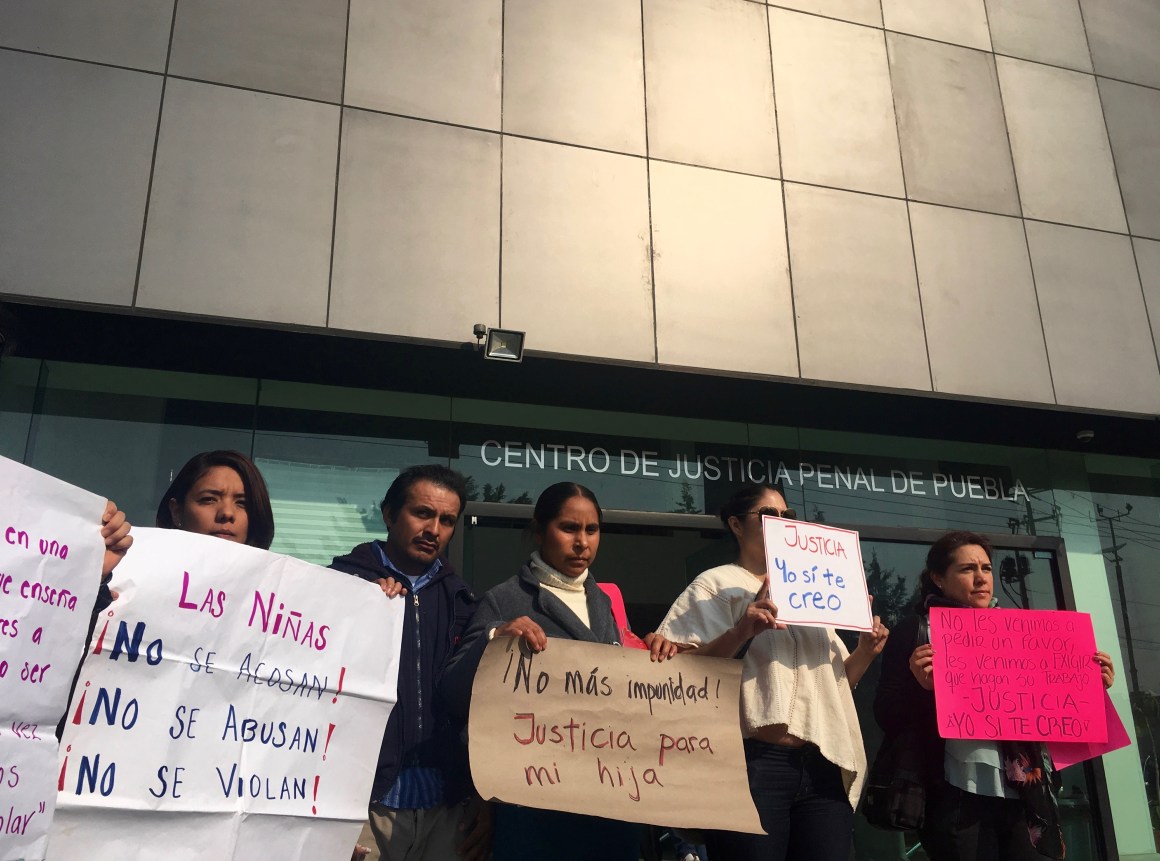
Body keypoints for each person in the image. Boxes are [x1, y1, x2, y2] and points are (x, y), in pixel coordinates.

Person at [647, 483, 889, 861]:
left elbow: (838, 682)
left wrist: (866, 651)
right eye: (768, 515)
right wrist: (743, 629)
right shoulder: (715, 585)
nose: (780, 524)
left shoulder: (812, 588)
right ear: (736, 525)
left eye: (787, 517)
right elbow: (682, 674)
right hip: (752, 764)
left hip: (823, 762)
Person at [874, 531, 1116, 861]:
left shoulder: (1023, 632)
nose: (980, 579)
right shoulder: (917, 630)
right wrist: (921, 689)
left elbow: (1051, 709)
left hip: (1026, 797)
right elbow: (886, 714)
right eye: (966, 569)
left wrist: (1090, 684)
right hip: (956, 795)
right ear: (938, 579)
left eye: (986, 568)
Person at [441, 481, 646, 861]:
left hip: (611, 803)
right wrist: (493, 640)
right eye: (569, 528)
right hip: (534, 807)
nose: (582, 542)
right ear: (538, 531)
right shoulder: (505, 599)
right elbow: (454, 695)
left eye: (592, 530)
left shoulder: (604, 602)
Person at [330, 464, 488, 861]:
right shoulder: (337, 585)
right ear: (388, 514)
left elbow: (482, 708)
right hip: (359, 806)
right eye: (423, 513)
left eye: (447, 520)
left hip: (447, 810)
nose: (434, 529)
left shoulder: (466, 601)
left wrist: (483, 799)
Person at [155, 449, 275, 549]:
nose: (227, 513)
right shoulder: (144, 569)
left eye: (242, 503)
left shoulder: (278, 576)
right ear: (177, 512)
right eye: (209, 499)